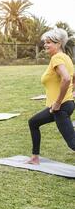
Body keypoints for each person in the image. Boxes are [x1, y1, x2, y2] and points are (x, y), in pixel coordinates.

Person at [27, 28, 75, 165]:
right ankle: (35, 158)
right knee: (33, 122)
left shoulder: (57, 58)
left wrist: (58, 102)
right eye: (45, 42)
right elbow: (73, 77)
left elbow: (66, 78)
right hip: (61, 106)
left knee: (72, 143)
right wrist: (72, 92)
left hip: (60, 107)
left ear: (59, 43)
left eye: (49, 42)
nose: (45, 45)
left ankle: (35, 158)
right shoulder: (66, 57)